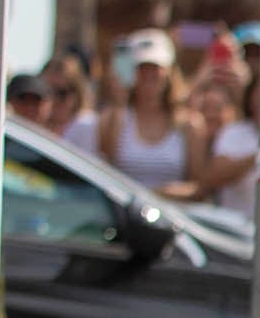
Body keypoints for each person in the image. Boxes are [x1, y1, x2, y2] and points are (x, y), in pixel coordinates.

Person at [70, 32, 197, 197]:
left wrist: (164, 195)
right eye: (142, 68)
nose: (149, 74)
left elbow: (199, 185)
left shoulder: (188, 124)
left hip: (172, 217)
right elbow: (106, 169)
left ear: (169, 71)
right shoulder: (114, 119)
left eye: (155, 67)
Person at [184, 65, 259, 215]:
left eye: (217, 108)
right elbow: (201, 187)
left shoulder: (233, 133)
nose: (211, 115)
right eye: (205, 108)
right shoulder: (193, 141)